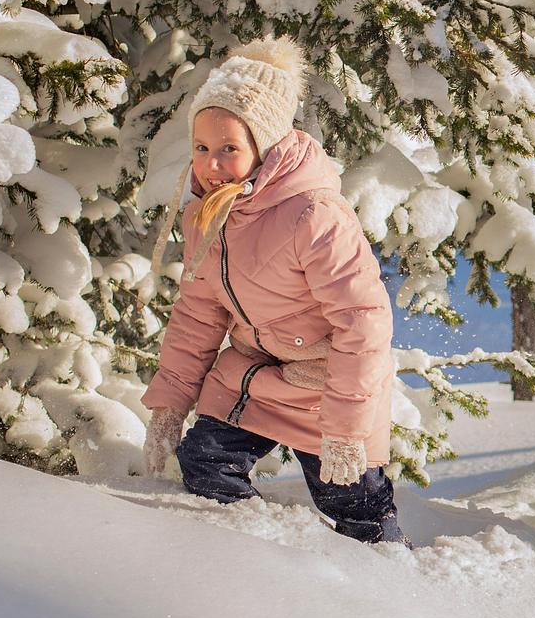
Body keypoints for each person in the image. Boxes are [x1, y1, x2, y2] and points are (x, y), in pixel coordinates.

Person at [140, 37, 402, 545]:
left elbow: (363, 322)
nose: (211, 165)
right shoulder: (208, 213)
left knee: (354, 506)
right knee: (206, 464)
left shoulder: (313, 215)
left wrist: (347, 429)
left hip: (327, 386)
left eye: (228, 150)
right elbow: (198, 314)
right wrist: (171, 404)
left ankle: (395, 574)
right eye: (201, 149)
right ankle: (256, 559)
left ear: (265, 147)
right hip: (254, 378)